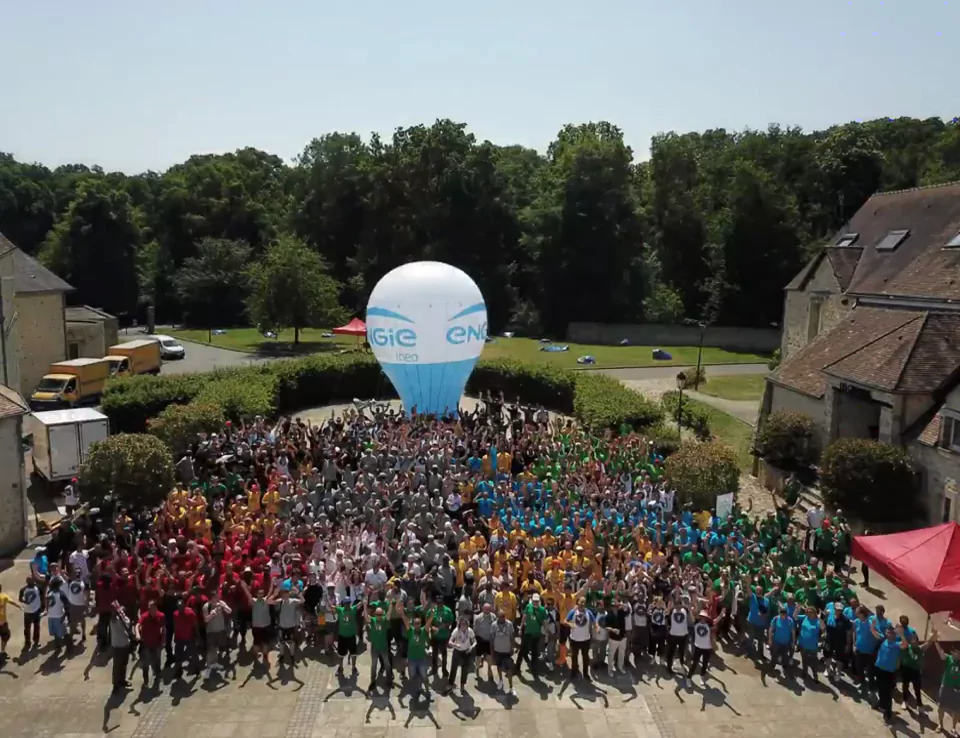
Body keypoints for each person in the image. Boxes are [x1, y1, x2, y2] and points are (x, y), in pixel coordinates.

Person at [516, 592, 547, 679]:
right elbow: (524, 617)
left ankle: (534, 669)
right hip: (527, 632)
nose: (535, 603)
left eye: (537, 601)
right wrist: (520, 628)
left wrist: (546, 633)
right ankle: (517, 667)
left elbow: (544, 622)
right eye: (534, 601)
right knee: (522, 650)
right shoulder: (528, 607)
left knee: (534, 652)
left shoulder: (542, 610)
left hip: (536, 634)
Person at [873, 625, 901, 723]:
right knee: (880, 688)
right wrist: (873, 625)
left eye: (892, 633)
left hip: (889, 673)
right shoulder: (883, 641)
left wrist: (901, 632)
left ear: (895, 635)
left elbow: (905, 644)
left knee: (888, 693)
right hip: (879, 669)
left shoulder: (897, 645)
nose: (889, 634)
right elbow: (874, 633)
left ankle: (888, 713)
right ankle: (880, 703)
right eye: (888, 632)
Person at [934, 632, 960, 734]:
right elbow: (941, 653)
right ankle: (940, 724)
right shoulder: (948, 658)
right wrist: (935, 640)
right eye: (956, 652)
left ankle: (954, 727)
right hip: (946, 687)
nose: (957, 654)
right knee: (941, 707)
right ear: (952, 652)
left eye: (958, 652)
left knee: (956, 710)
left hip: (957, 689)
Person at [564, 597, 596, 681]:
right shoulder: (573, 611)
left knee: (585, 658)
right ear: (578, 602)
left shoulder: (588, 612)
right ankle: (574, 672)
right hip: (574, 640)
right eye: (581, 602)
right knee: (574, 657)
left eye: (584, 602)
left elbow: (594, 621)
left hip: (585, 640)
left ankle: (585, 674)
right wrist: (569, 624)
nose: (582, 604)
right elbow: (565, 621)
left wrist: (597, 627)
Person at [365, 597, 392, 692]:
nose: (379, 616)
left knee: (387, 664)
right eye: (377, 614)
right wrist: (365, 605)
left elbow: (389, 614)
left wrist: (390, 605)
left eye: (380, 614)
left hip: (383, 647)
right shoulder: (372, 620)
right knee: (374, 665)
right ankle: (373, 681)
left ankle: (389, 680)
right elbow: (366, 617)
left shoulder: (385, 620)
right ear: (375, 614)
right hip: (375, 647)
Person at [137, 601, 165, 688]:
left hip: (156, 643)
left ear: (156, 608)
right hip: (146, 644)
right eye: (149, 608)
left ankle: (157, 675)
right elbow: (138, 625)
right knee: (145, 664)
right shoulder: (145, 616)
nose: (150, 610)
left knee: (156, 661)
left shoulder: (161, 616)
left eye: (152, 608)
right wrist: (137, 634)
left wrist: (163, 641)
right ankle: (146, 681)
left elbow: (164, 628)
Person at [447, 616, 477, 695]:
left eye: (465, 624)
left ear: (467, 625)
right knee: (454, 668)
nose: (463, 626)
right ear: (459, 625)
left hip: (466, 652)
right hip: (457, 651)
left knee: (465, 669)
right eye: (462, 624)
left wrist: (471, 647)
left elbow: (475, 641)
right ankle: (450, 684)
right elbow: (449, 642)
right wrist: (455, 645)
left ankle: (462, 685)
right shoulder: (456, 631)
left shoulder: (470, 631)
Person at [688, 609, 718, 687]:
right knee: (694, 664)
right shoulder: (696, 623)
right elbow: (692, 616)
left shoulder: (708, 625)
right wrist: (690, 609)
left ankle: (702, 677)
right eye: (702, 617)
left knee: (705, 664)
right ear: (700, 617)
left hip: (707, 648)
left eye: (705, 617)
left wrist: (721, 614)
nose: (703, 619)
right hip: (697, 647)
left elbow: (716, 621)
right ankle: (688, 678)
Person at [491, 609, 516, 696]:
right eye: (501, 617)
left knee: (509, 670)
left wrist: (512, 647)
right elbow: (492, 638)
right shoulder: (494, 625)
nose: (503, 618)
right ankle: (500, 680)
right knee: (499, 667)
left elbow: (512, 636)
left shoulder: (509, 624)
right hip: (497, 650)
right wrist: (492, 650)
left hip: (506, 651)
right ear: (498, 617)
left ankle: (511, 686)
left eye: (504, 617)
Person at [110, 604, 134, 694]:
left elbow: (129, 628)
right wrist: (115, 610)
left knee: (124, 665)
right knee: (117, 667)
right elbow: (113, 616)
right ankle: (116, 685)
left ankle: (122, 681)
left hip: (125, 645)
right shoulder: (114, 620)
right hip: (117, 646)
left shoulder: (126, 620)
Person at [0, 584, 22, 662]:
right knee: (5, 636)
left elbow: (11, 602)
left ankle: (2, 652)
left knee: (5, 636)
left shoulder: (3, 597)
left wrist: (18, 606)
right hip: (3, 623)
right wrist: (19, 606)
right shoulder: (3, 596)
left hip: (3, 623)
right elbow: (12, 602)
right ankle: (2, 652)